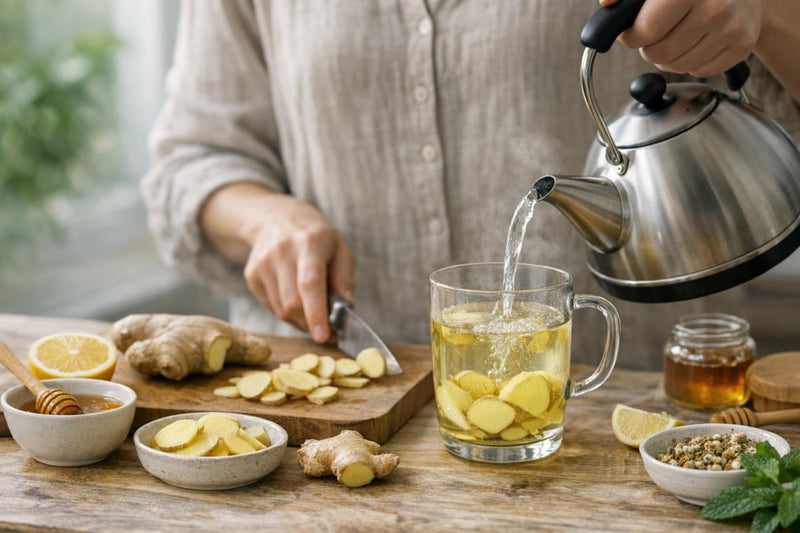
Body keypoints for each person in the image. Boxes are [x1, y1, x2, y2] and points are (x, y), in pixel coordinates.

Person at [142, 0, 800, 371]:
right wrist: (265, 219)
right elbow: (191, 158)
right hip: (337, 408)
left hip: (625, 409)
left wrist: (766, 10)